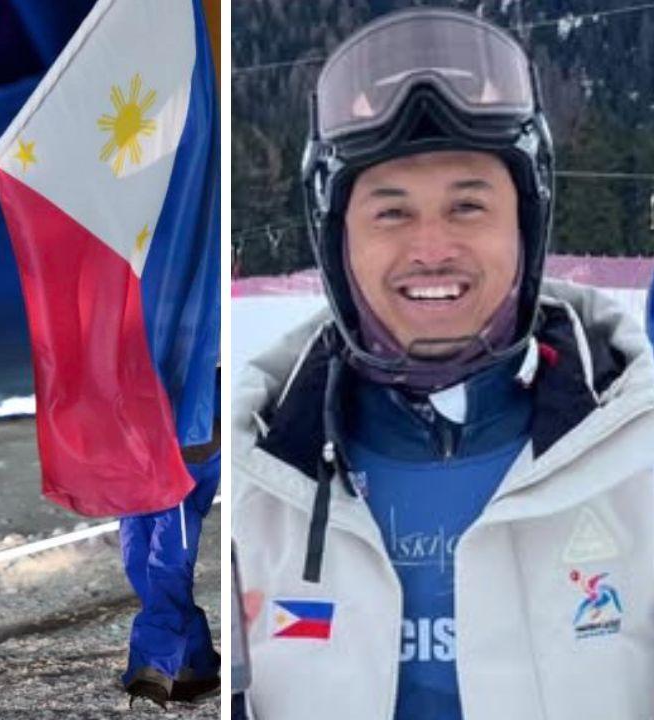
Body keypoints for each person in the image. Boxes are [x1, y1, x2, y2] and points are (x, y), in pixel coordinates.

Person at [233, 7, 654, 718]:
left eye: (468, 206)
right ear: (339, 242)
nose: (431, 248)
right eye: (391, 213)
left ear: (525, 225)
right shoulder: (258, 482)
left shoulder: (636, 457)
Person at [121, 376, 221, 708]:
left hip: (181, 459)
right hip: (138, 457)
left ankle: (153, 672)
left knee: (167, 570)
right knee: (138, 566)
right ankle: (197, 666)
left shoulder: (205, 333)